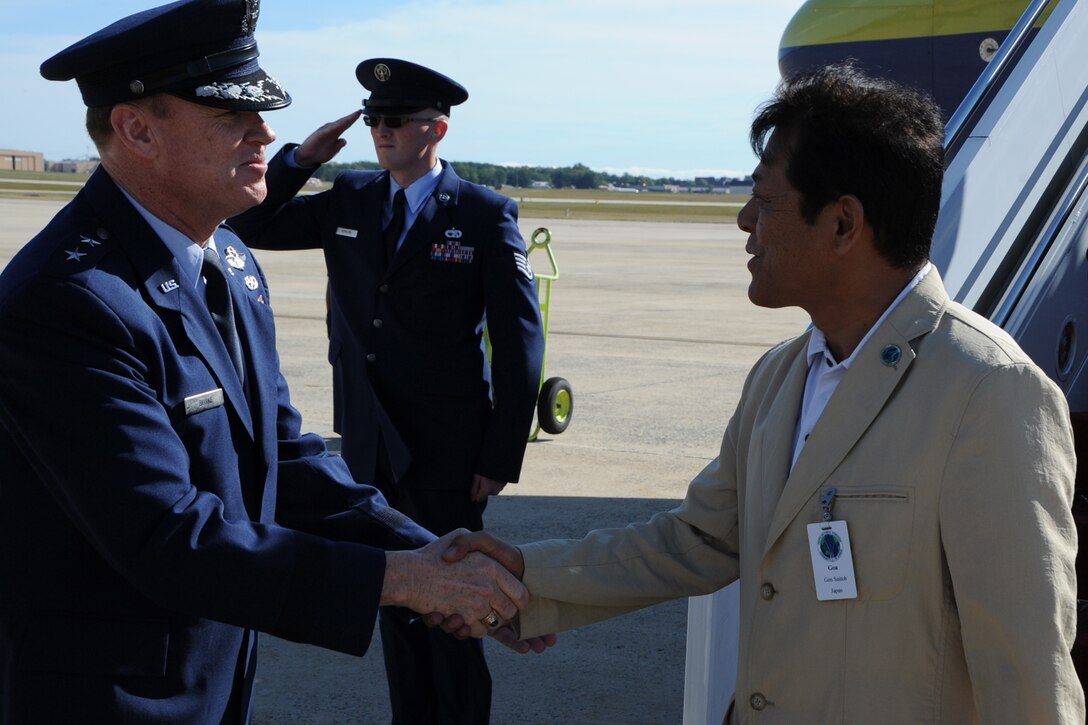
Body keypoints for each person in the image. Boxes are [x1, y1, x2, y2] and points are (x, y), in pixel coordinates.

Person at [438, 63, 1086, 723]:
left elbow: (1027, 679)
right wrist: (522, 576)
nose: (744, 220)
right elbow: (695, 540)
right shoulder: (780, 376)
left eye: (765, 200)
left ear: (843, 224)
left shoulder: (990, 394)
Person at [0, 3, 534, 724]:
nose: (268, 133)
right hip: (112, 695)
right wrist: (400, 579)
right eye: (231, 118)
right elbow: (169, 535)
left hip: (213, 678)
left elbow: (283, 457)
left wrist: (434, 553)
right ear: (136, 130)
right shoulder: (66, 303)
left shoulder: (225, 261)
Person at [230, 58, 545, 723]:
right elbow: (249, 227)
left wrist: (499, 456)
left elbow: (520, 346)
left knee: (454, 611)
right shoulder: (348, 197)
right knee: (400, 606)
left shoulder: (484, 214)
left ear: (436, 128)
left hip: (446, 450)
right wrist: (300, 158)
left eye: (395, 120)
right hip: (369, 441)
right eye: (373, 119)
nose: (381, 130)